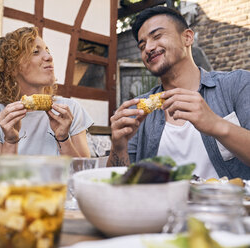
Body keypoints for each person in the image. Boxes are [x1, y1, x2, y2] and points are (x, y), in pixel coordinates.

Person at [107, 6, 250, 179]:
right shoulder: (137, 111)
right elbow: (119, 183)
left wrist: (216, 125)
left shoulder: (237, 84)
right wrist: (119, 146)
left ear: (187, 37)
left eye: (157, 36)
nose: (148, 48)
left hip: (229, 205)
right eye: (142, 45)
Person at [0, 27, 93, 157]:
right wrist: (10, 141)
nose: (49, 57)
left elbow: (83, 172)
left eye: (47, 51)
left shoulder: (70, 110)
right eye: (35, 52)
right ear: (12, 68)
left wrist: (63, 138)